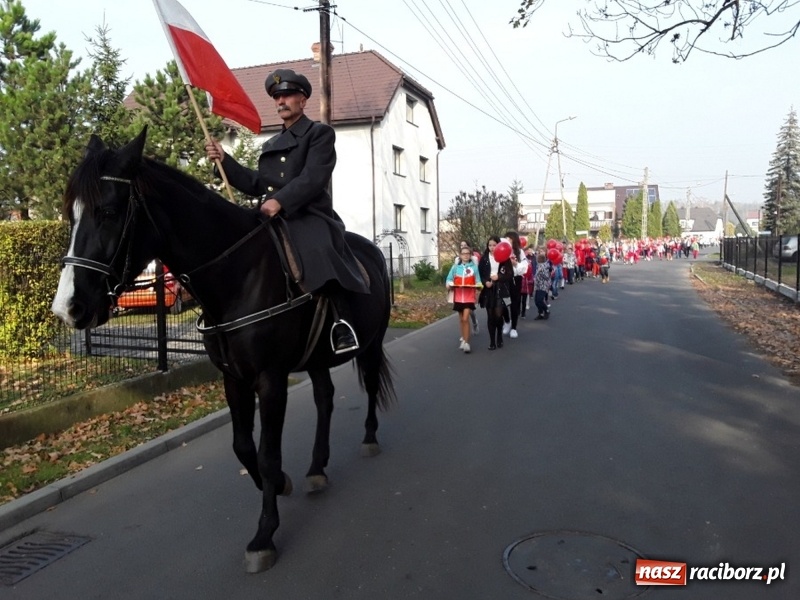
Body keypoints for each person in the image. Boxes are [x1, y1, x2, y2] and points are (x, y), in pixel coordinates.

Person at [205, 68, 367, 355]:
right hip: (272, 216)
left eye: (288, 95)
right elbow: (257, 183)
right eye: (277, 97)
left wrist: (280, 201)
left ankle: (342, 323)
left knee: (319, 249)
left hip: (308, 214)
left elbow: (314, 178)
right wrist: (225, 161)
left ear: (303, 100)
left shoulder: (319, 134)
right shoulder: (271, 144)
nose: (281, 101)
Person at [477, 236, 512, 350]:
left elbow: (510, 274)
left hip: (500, 289)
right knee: (490, 316)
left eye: (494, 245)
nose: (492, 248)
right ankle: (492, 341)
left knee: (498, 315)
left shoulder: (504, 258)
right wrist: (485, 281)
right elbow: (480, 273)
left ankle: (499, 337)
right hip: (488, 289)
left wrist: (499, 277)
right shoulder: (484, 258)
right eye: (490, 245)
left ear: (499, 245)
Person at [446, 245, 482, 354]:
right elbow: (449, 279)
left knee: (466, 318)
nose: (465, 255)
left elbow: (479, 281)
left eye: (467, 253)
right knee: (461, 319)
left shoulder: (474, 267)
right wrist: (449, 285)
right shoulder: (455, 267)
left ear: (470, 255)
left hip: (469, 297)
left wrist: (479, 287)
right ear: (460, 255)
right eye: (463, 253)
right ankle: (463, 338)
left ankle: (467, 343)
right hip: (458, 297)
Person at [503, 231, 529, 339]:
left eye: (509, 238)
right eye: (506, 238)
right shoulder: (502, 250)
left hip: (515, 279)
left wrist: (516, 264)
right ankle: (507, 321)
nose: (507, 240)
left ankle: (514, 328)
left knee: (514, 304)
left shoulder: (519, 252)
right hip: (504, 280)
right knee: (504, 302)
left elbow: (524, 267)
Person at [455, 241, 480, 335]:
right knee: (462, 317)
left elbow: (476, 273)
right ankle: (465, 335)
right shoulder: (457, 260)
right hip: (460, 292)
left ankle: (474, 323)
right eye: (461, 246)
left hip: (469, 291)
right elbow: (455, 273)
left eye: (465, 245)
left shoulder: (474, 259)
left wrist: (477, 285)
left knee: (470, 312)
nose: (463, 247)